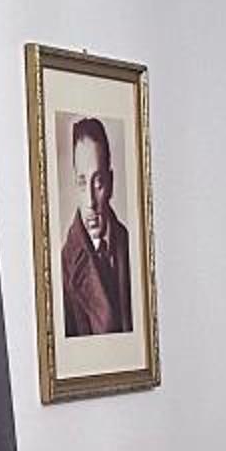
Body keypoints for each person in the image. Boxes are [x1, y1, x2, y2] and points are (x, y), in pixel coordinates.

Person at [59, 115, 133, 337]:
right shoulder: (64, 268)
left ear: (110, 183)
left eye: (98, 182)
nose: (90, 201)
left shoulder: (129, 243)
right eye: (82, 183)